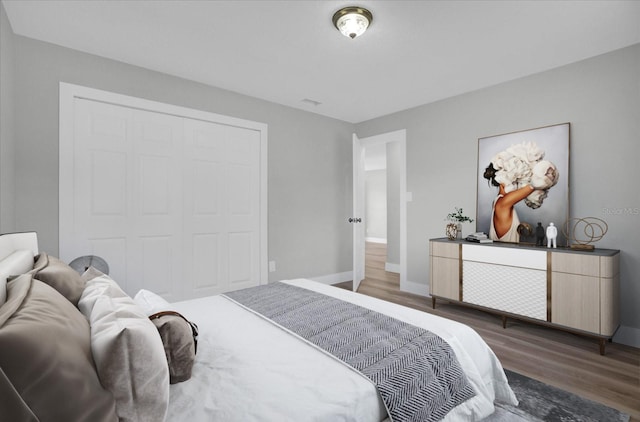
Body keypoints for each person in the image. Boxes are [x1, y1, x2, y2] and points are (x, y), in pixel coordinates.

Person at [484, 163, 535, 243]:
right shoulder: (503, 203)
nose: (515, 183)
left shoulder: (498, 202)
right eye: (512, 179)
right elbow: (534, 185)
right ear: (500, 179)